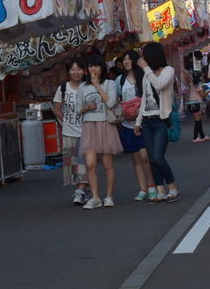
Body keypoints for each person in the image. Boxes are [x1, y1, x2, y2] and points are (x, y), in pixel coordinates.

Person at [135, 43, 181, 203]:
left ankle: (173, 188)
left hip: (161, 120)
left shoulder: (168, 71)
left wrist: (146, 69)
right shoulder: (146, 75)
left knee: (158, 156)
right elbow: (144, 99)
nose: (143, 59)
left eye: (145, 55)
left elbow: (160, 84)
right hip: (147, 120)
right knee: (151, 158)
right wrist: (138, 121)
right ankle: (160, 190)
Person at [77, 55, 123, 209]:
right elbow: (78, 110)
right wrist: (86, 108)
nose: (93, 69)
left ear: (102, 68)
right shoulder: (83, 87)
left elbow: (111, 103)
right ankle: (95, 197)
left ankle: (109, 196)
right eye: (91, 66)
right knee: (90, 164)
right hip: (89, 126)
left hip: (105, 124)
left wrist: (97, 86)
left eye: (96, 66)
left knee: (107, 164)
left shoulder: (109, 83)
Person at [116, 50, 155, 201]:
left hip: (143, 122)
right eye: (124, 60)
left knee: (144, 156)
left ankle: (151, 185)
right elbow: (116, 99)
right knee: (136, 158)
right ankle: (142, 188)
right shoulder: (120, 80)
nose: (126, 62)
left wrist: (139, 110)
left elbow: (150, 97)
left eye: (129, 59)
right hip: (127, 123)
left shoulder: (144, 77)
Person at [51, 62, 90, 204]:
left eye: (79, 69)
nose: (76, 72)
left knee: (83, 162)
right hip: (68, 132)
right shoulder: (63, 88)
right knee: (72, 165)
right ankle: (83, 190)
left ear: (84, 71)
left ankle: (79, 192)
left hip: (87, 131)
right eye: (73, 69)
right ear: (68, 72)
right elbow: (56, 109)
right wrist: (66, 120)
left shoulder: (88, 87)